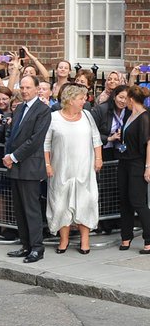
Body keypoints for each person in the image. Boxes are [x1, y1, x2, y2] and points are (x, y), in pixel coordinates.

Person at [43, 83, 103, 254]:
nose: (85, 101)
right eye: (81, 98)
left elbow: (96, 138)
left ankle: (85, 241)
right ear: (70, 100)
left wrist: (98, 158)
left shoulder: (87, 116)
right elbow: (46, 143)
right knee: (60, 203)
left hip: (84, 169)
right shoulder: (53, 117)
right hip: (61, 170)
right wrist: (47, 164)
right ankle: (64, 240)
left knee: (86, 202)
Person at [3, 75, 53, 263]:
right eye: (22, 88)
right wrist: (7, 154)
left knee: (31, 209)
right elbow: (12, 134)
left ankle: (37, 248)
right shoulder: (20, 108)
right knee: (19, 208)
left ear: (37, 89)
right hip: (15, 165)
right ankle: (25, 245)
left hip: (30, 166)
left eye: (28, 88)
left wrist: (13, 157)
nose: (24, 91)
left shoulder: (43, 110)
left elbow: (35, 140)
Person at [110, 85, 150, 252]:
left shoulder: (145, 117)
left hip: (138, 163)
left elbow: (149, 143)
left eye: (126, 99)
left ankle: (148, 240)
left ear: (131, 100)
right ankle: (126, 237)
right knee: (124, 200)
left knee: (138, 201)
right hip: (124, 161)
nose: (124, 101)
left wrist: (148, 167)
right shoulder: (129, 115)